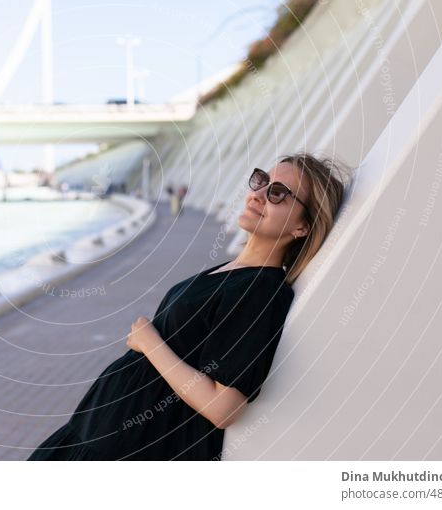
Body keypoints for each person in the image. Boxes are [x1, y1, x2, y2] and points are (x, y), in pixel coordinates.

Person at [27, 152, 351, 460]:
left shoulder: (262, 290)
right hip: (98, 438)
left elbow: (224, 407)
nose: (258, 194)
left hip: (131, 451)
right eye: (262, 181)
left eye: (278, 193)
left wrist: (149, 342)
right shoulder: (234, 271)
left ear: (302, 227)